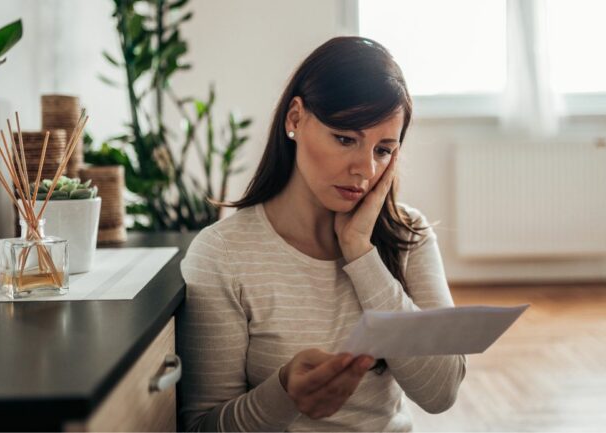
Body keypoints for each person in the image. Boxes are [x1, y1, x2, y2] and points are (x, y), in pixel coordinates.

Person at [179, 36, 466, 432]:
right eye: (345, 139)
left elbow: (442, 391)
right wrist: (283, 394)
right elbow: (201, 426)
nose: (364, 169)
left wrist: (361, 256)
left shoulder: (408, 235)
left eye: (383, 150)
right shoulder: (223, 254)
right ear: (295, 119)